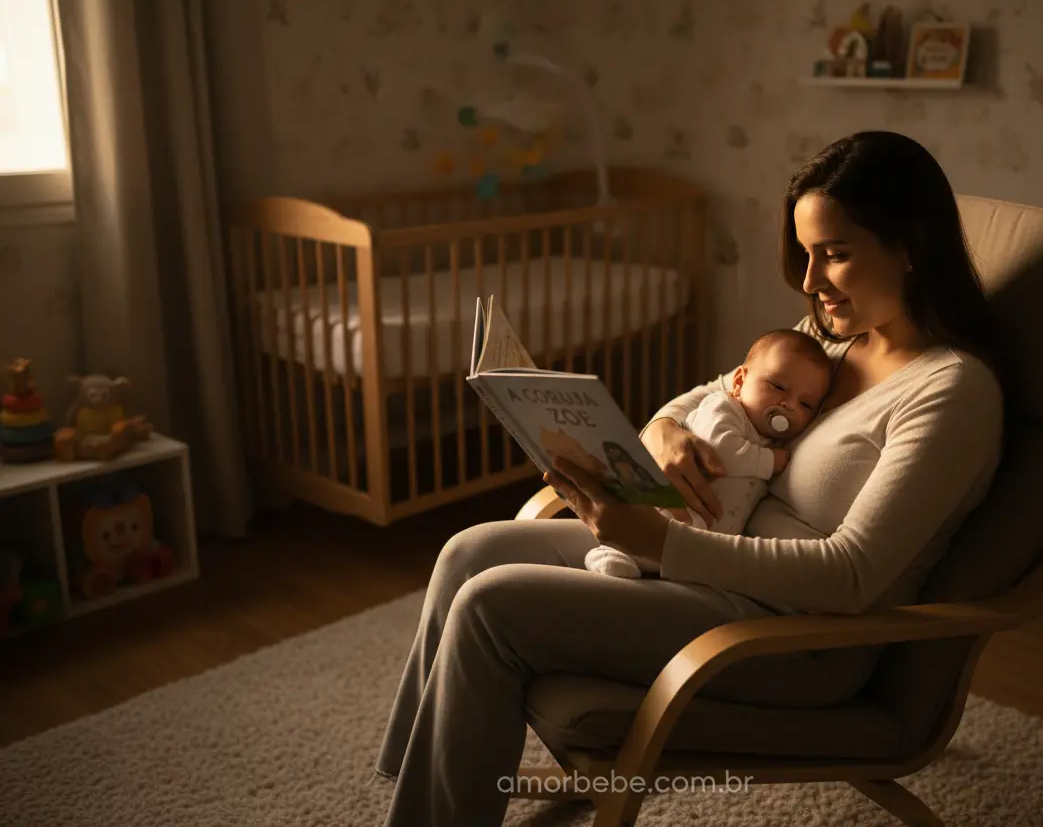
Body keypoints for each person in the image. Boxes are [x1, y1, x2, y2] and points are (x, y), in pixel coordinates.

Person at [375, 130, 1006, 827]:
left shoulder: (951, 392)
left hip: (794, 635)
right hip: (708, 558)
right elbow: (717, 393)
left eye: (835, 254)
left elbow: (852, 575)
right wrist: (662, 431)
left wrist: (658, 544)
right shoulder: (833, 337)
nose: (808, 279)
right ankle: (423, 793)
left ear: (911, 246)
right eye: (805, 253)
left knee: (492, 605)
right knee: (469, 552)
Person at [585, 328, 835, 578]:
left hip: (707, 543)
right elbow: (722, 453)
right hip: (669, 515)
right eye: (778, 386)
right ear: (738, 382)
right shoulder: (724, 408)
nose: (789, 405)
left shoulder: (769, 439)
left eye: (805, 404)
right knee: (640, 539)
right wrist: (770, 461)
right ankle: (610, 554)